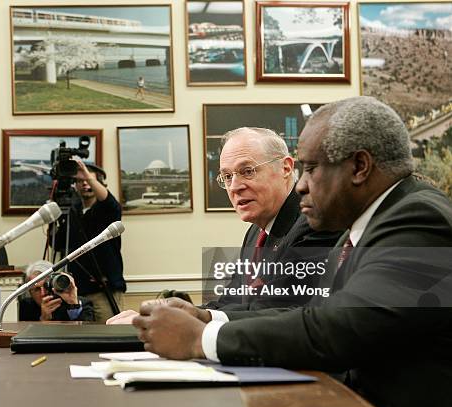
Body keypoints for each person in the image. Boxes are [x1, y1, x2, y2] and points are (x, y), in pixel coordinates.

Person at [132, 97, 452, 407]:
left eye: (311, 169)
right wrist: (207, 317)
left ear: (359, 167)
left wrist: (201, 338)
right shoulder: (358, 230)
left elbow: (339, 329)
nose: (300, 186)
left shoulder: (420, 218)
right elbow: (308, 314)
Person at [107, 128, 340, 324]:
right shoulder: (255, 232)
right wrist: (163, 316)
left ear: (286, 168)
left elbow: (280, 310)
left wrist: (190, 318)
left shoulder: (313, 222)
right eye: (227, 177)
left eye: (247, 171)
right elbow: (231, 302)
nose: (235, 187)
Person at [53, 159, 125, 323]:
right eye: (79, 181)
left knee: (108, 335)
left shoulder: (107, 210)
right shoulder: (73, 212)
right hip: (77, 290)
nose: (85, 184)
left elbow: (109, 202)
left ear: (100, 184)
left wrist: (87, 174)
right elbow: (57, 243)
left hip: (105, 289)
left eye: (89, 180)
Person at [18, 260, 94, 322]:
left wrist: (73, 305)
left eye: (46, 286)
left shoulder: (81, 303)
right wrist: (44, 319)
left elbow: (86, 335)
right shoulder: (24, 308)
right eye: (37, 289)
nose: (43, 293)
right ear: (30, 292)